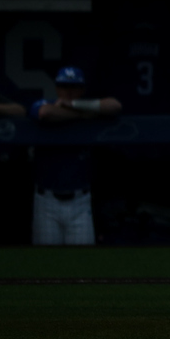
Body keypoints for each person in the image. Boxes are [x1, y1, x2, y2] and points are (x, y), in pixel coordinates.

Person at [29, 66, 122, 246]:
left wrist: (73, 106)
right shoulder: (44, 103)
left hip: (79, 202)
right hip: (47, 202)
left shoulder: (89, 106)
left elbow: (115, 106)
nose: (69, 91)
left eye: (74, 87)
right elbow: (45, 113)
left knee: (81, 265)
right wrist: (85, 114)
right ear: (57, 88)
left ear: (82, 89)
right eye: (64, 86)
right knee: (46, 265)